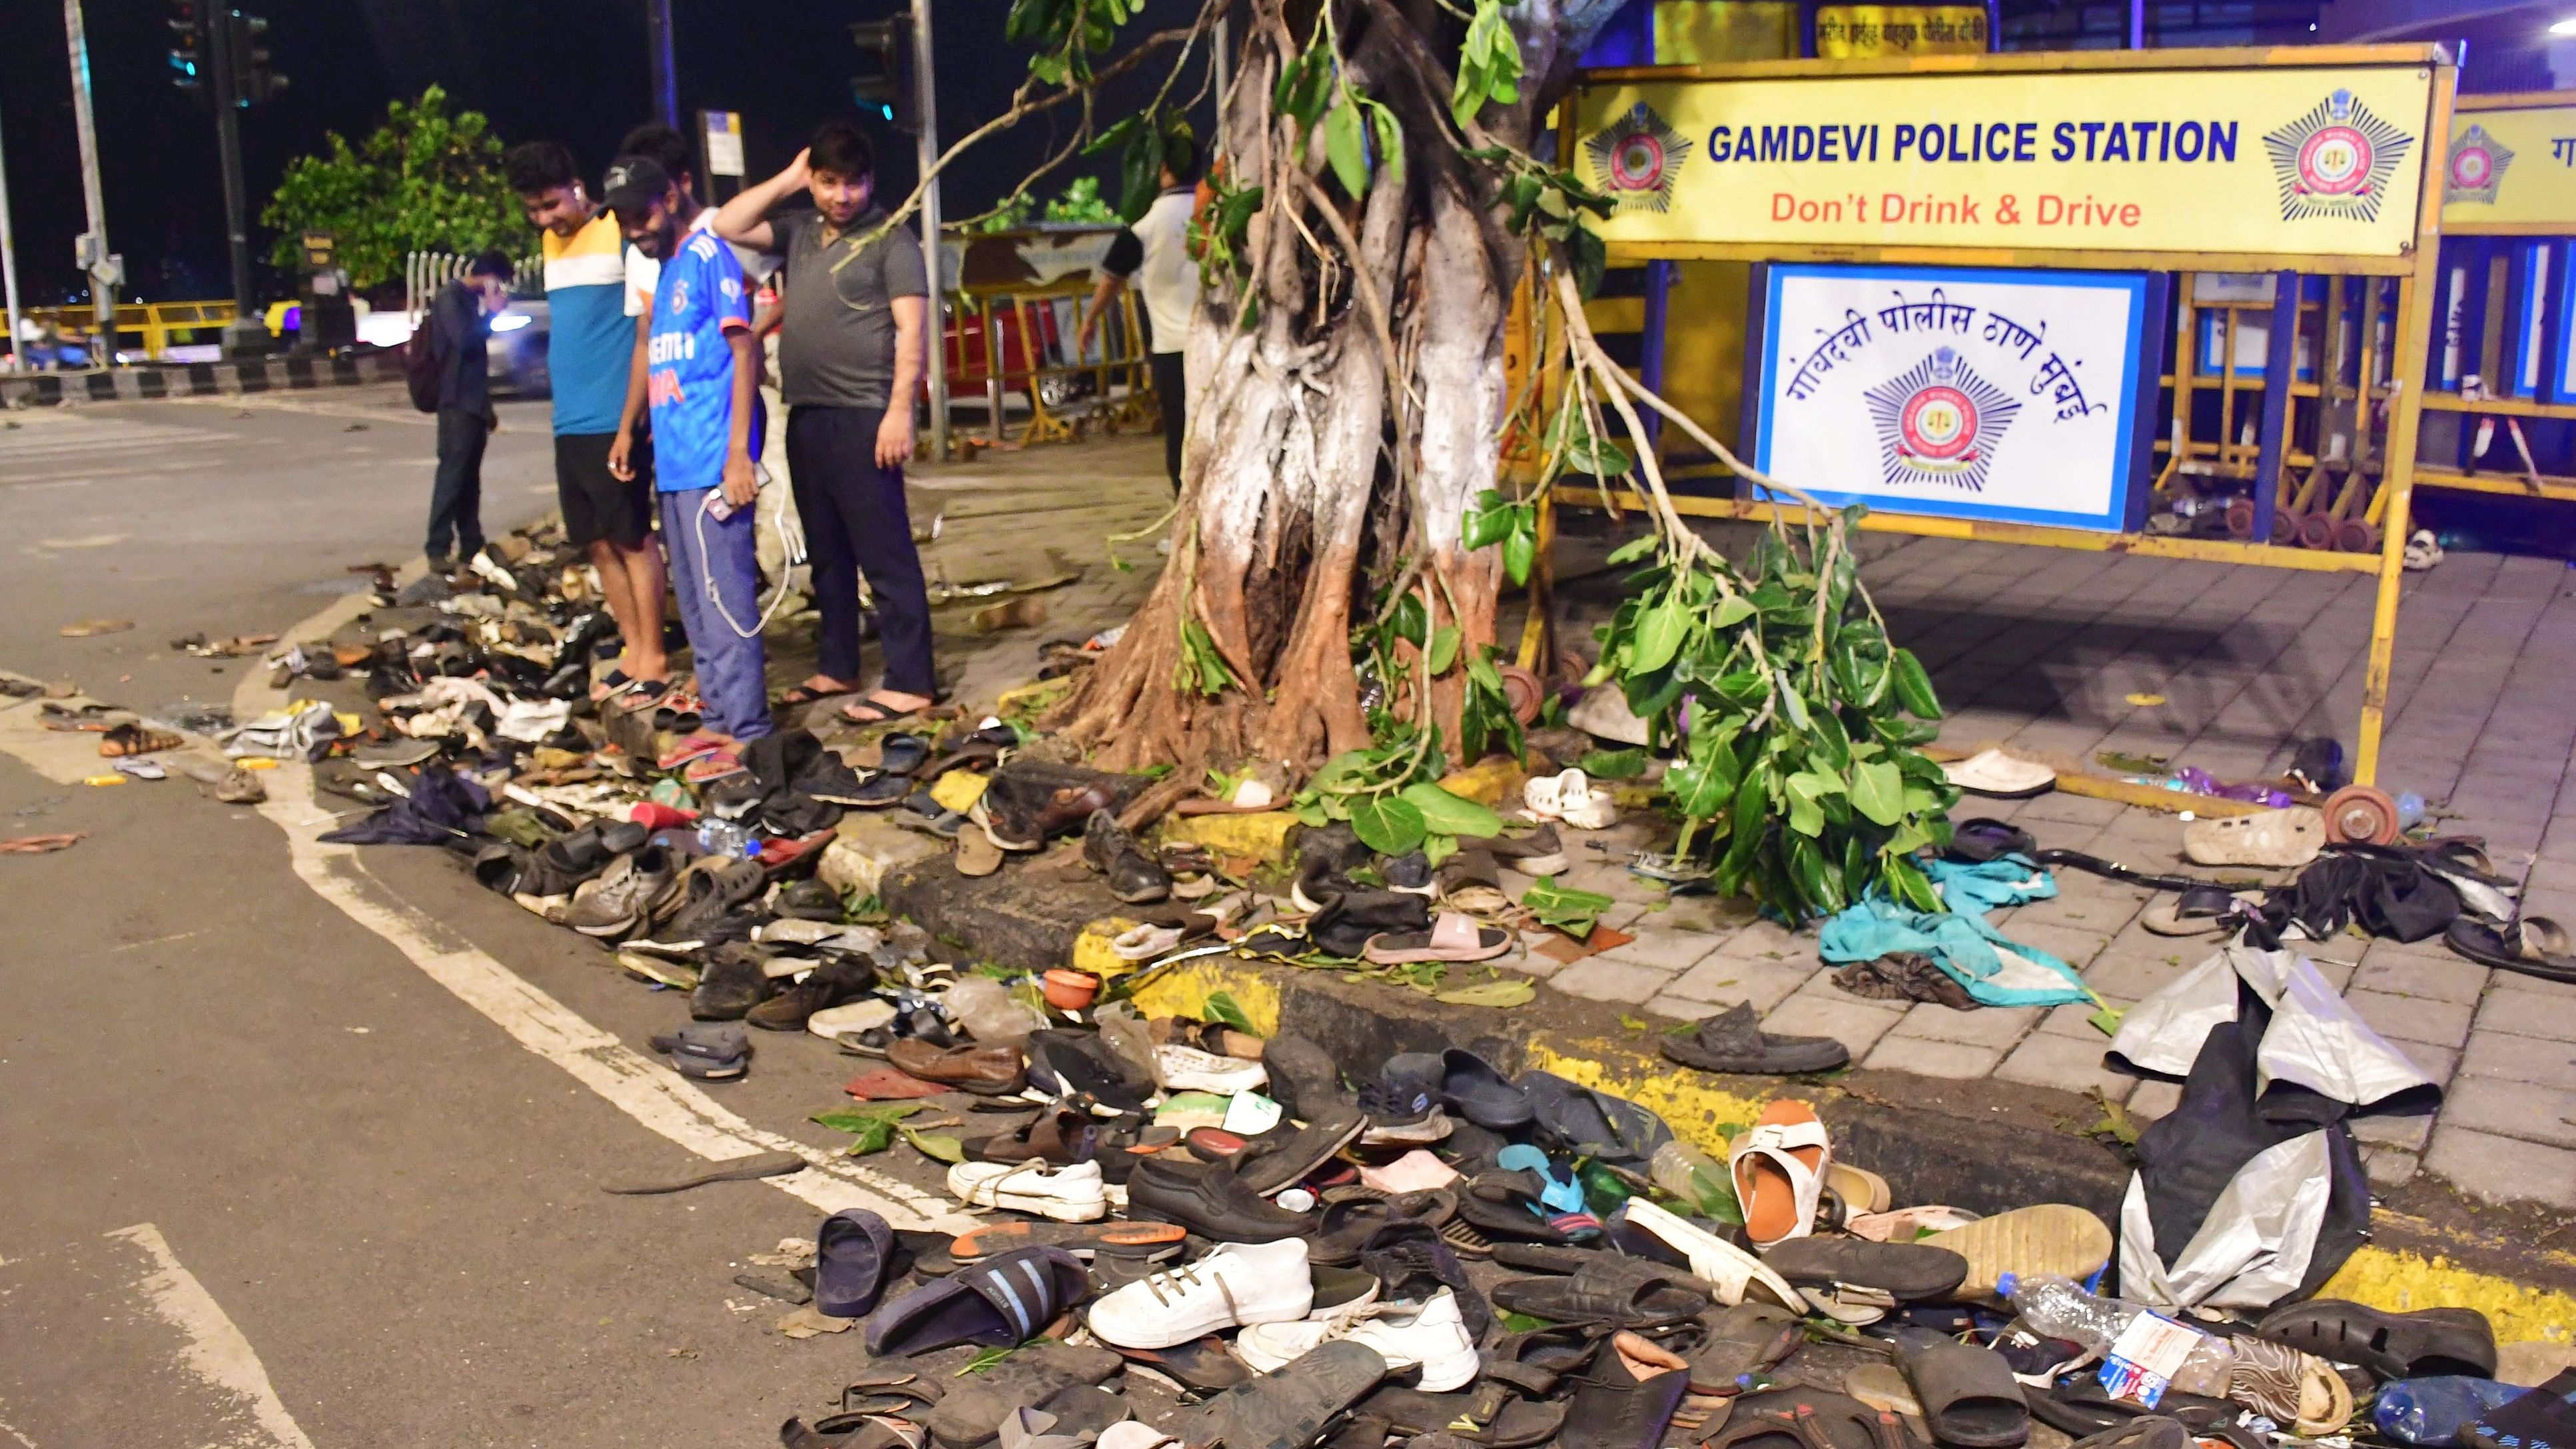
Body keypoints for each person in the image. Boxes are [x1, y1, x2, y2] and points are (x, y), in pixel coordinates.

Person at [713, 121, 935, 727]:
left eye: (853, 182)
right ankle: (838, 664)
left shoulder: (891, 240)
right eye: (829, 182)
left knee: (883, 551)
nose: (842, 196)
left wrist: (900, 412)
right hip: (807, 414)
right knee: (828, 553)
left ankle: (912, 679)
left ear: (870, 181)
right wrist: (788, 177)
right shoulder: (800, 232)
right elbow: (726, 224)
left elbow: (913, 332)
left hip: (865, 415)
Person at [605, 155, 771, 777]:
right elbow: (656, 357)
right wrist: (630, 430)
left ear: (673, 197)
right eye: (622, 220)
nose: (632, 229)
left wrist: (738, 455)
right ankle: (720, 718)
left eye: (640, 214)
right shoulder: (667, 270)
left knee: (726, 601)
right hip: (675, 465)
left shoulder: (708, 257)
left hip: (712, 462)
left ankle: (749, 728)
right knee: (696, 607)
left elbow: (743, 348)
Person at [504, 141, 668, 702]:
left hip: (613, 417)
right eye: (533, 210)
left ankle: (655, 655)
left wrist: (630, 423)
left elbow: (645, 327)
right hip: (569, 422)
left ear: (577, 187)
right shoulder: (550, 244)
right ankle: (630, 649)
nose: (545, 218)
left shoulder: (617, 232)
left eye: (551, 204)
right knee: (597, 545)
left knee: (631, 539)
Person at [1076, 134, 1203, 492]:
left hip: (1171, 350)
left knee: (1179, 436)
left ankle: (1186, 528)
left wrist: (1090, 321)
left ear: (1162, 170)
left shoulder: (1144, 224)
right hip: (1218, 346)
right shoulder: (1212, 212)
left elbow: (1112, 278)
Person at [425, 250, 513, 572]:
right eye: (499, 283)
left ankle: (471, 543)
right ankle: (437, 548)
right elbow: (464, 342)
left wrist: (487, 409)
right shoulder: (450, 299)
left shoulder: (466, 301)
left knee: (469, 479)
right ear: (488, 276)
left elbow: (477, 362)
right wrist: (491, 315)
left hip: (473, 403)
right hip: (456, 403)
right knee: (452, 476)